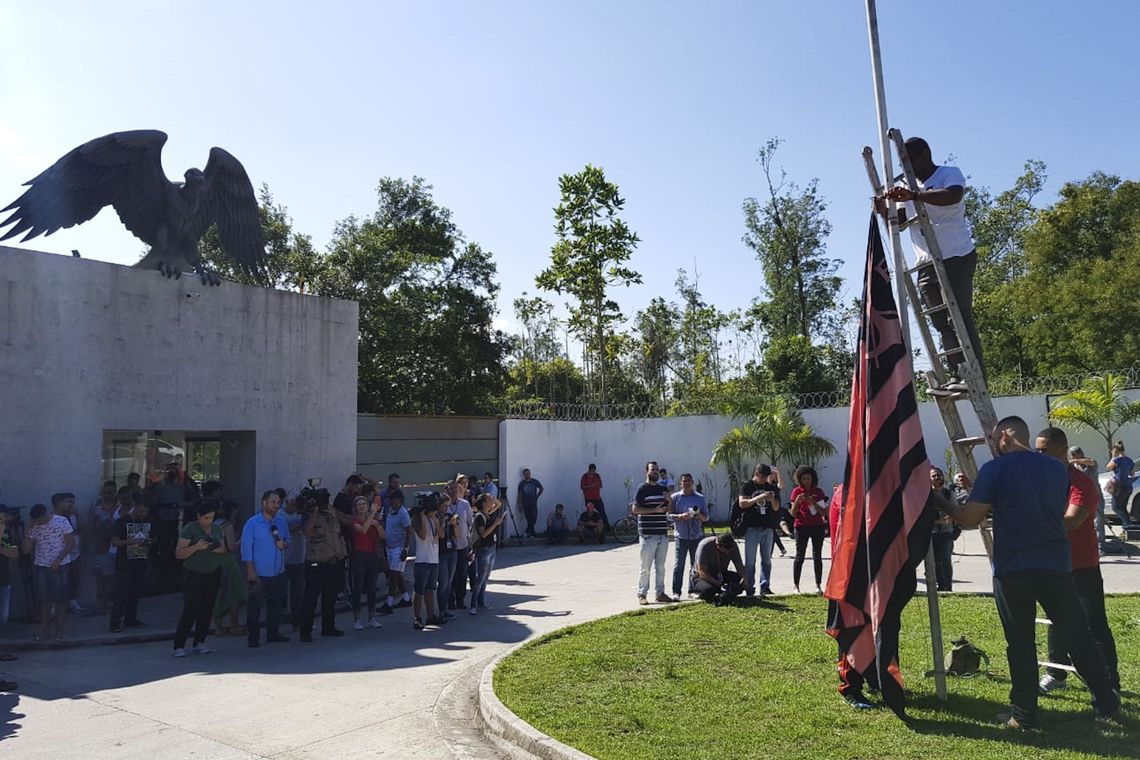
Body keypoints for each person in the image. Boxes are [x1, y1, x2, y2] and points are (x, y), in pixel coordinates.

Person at [944, 416, 1120, 728]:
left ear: (1003, 438)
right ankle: (1106, 703)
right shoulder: (1055, 470)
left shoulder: (994, 469)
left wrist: (938, 502)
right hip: (1056, 565)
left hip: (1014, 568)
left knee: (1021, 642)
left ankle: (1024, 715)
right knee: (1077, 636)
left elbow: (970, 518)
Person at [883, 136, 983, 387]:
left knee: (959, 316)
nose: (910, 166)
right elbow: (901, 222)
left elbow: (953, 196)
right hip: (926, 261)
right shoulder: (908, 185)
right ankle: (957, 372)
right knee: (939, 321)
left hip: (956, 255)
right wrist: (884, 211)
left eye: (912, 159)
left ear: (925, 154)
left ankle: (975, 373)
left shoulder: (948, 174)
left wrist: (915, 195)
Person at [1035, 428, 1121, 696]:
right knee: (1055, 622)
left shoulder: (1080, 483)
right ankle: (1056, 673)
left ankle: (1110, 683)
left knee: (1094, 623)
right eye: (1036, 450)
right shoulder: (1040, 481)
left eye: (1043, 450)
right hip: (1051, 565)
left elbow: (1072, 521)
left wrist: (1029, 523)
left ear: (1061, 450)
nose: (1038, 455)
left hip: (1082, 566)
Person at [172, 500, 226, 657]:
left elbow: (223, 548)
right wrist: (196, 547)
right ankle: (179, 644)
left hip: (213, 571)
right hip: (194, 573)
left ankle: (200, 641)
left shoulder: (216, 528)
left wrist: (216, 548)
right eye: (206, 518)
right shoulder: (190, 529)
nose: (209, 521)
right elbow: (179, 553)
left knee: (207, 608)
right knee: (191, 609)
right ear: (198, 516)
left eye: (211, 518)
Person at [241, 490, 291, 648]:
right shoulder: (253, 523)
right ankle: (253, 637)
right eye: (273, 502)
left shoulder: (281, 521)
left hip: (278, 570)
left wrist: (285, 543)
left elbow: (288, 539)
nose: (276, 505)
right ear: (264, 503)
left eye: (278, 503)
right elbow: (246, 547)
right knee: (255, 605)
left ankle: (273, 633)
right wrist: (250, 570)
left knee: (275, 603)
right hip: (259, 572)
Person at [23, 503, 75, 643]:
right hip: (41, 566)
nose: (40, 523)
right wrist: (28, 530)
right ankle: (44, 631)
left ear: (46, 514)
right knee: (44, 601)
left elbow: (71, 543)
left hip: (60, 565)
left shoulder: (61, 521)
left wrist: (58, 560)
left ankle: (59, 633)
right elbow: (27, 550)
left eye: (41, 520)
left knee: (60, 600)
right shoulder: (34, 526)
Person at [299, 488, 347, 642]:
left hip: (334, 560)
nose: (325, 502)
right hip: (316, 562)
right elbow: (307, 531)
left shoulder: (331, 514)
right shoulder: (308, 514)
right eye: (322, 499)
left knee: (330, 597)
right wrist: (314, 511)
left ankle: (328, 627)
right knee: (311, 598)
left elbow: (343, 525)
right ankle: (305, 631)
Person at [736, 464, 782, 596]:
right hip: (752, 527)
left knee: (766, 559)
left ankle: (765, 586)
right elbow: (742, 503)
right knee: (750, 560)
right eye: (761, 476)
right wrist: (758, 498)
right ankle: (749, 586)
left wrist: (772, 499)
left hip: (767, 527)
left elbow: (776, 507)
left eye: (766, 477)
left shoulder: (771, 487)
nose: (763, 480)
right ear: (756, 474)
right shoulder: (747, 486)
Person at [109, 498, 152, 632]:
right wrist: (132, 541)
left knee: (135, 592)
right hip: (124, 563)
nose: (143, 514)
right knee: (122, 593)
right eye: (141, 511)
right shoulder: (121, 522)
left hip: (140, 560)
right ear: (136, 507)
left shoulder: (145, 522)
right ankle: (115, 622)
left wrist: (148, 542)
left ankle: (131, 618)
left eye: (146, 512)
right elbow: (115, 542)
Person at [633, 461, 673, 605]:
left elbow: (669, 510)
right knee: (646, 567)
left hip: (662, 533)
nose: (655, 472)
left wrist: (669, 501)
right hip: (648, 534)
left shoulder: (663, 488)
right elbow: (635, 510)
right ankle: (642, 594)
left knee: (661, 567)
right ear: (646, 472)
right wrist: (654, 510)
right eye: (652, 469)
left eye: (656, 469)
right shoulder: (642, 489)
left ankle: (660, 593)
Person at [790, 466, 828, 595]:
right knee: (799, 556)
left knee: (817, 555)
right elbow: (793, 514)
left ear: (813, 479)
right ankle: (796, 586)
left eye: (808, 479)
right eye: (804, 479)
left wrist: (813, 502)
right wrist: (797, 502)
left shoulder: (819, 492)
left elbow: (824, 512)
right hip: (801, 526)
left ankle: (818, 585)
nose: (806, 481)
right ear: (800, 480)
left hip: (817, 526)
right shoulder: (796, 492)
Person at [211, 501, 247, 637]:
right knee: (234, 594)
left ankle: (218, 627)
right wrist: (242, 539)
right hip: (229, 560)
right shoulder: (228, 526)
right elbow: (231, 546)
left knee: (220, 595)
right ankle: (234, 625)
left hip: (216, 560)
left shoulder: (215, 524)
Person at [669, 473, 708, 598]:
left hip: (696, 536)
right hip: (681, 536)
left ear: (693, 482)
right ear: (680, 483)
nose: (686, 483)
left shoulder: (700, 498)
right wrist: (680, 517)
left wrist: (699, 516)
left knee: (695, 565)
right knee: (679, 565)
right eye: (684, 481)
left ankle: (693, 590)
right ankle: (676, 592)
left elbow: (706, 517)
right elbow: (668, 515)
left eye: (688, 481)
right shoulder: (675, 497)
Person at [349, 495, 384, 631]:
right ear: (355, 508)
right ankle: (357, 619)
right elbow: (362, 530)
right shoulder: (354, 521)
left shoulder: (373, 520)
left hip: (373, 555)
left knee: (371, 587)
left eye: (364, 503)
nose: (362, 506)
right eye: (359, 504)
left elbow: (382, 535)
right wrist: (372, 516)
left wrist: (378, 525)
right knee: (358, 588)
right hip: (359, 556)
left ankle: (372, 617)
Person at [410, 494, 444, 630]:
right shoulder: (417, 519)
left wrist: (435, 520)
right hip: (422, 560)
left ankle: (431, 616)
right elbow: (423, 536)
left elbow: (441, 535)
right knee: (419, 590)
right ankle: (417, 618)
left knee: (430, 589)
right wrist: (423, 517)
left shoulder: (433, 519)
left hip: (433, 559)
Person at [469, 493, 504, 615]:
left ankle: (481, 602)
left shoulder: (487, 514)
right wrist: (495, 524)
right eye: (489, 500)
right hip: (483, 549)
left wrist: (493, 499)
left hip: (491, 548)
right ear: (483, 503)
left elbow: (499, 504)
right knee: (481, 577)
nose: (491, 502)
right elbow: (483, 534)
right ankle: (473, 604)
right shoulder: (480, 516)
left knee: (486, 576)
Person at [52, 493, 86, 615]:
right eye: (68, 501)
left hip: (75, 554)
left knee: (73, 579)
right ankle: (55, 607)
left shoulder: (73, 516)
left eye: (73, 501)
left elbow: (83, 528)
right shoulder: (53, 518)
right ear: (58, 503)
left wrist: (77, 514)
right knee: (58, 582)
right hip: (60, 555)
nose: (71, 504)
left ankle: (72, 602)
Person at [379, 489, 412, 614]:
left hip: (398, 548)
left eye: (394, 501)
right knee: (397, 574)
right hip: (389, 547)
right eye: (390, 501)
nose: (392, 504)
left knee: (393, 576)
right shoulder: (390, 510)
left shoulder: (403, 513)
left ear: (400, 501)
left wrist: (405, 549)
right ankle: (406, 598)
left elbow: (409, 531)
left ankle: (389, 603)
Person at [88, 480, 119, 613]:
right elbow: (90, 525)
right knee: (100, 577)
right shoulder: (96, 505)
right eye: (104, 492)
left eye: (110, 492)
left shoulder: (120, 506)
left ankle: (111, 602)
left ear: (115, 492)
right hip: (99, 546)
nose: (107, 495)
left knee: (112, 577)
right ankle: (101, 604)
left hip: (115, 547)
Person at [691, 532, 745, 605]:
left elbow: (739, 564)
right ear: (718, 545)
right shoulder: (705, 545)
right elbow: (702, 572)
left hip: (721, 574)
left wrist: (744, 578)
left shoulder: (733, 545)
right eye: (726, 550)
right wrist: (719, 585)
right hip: (702, 577)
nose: (728, 552)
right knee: (709, 590)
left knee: (739, 583)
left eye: (730, 550)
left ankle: (725, 594)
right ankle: (700, 593)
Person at [929, 467, 957, 592]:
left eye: (939, 475)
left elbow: (955, 510)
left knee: (945, 559)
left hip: (946, 532)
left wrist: (949, 519)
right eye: (934, 476)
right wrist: (936, 521)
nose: (937, 478)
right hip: (931, 533)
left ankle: (947, 586)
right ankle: (939, 585)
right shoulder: (926, 495)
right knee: (934, 561)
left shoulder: (949, 494)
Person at [281, 490, 306, 629]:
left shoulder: (302, 513)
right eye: (293, 504)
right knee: (280, 592)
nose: (295, 507)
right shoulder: (280, 515)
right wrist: (293, 528)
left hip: (299, 558)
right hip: (284, 559)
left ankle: (297, 621)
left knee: (298, 593)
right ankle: (279, 618)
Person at [448, 480, 474, 611]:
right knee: (450, 575)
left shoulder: (465, 505)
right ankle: (450, 600)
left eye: (455, 488)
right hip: (448, 546)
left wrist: (471, 543)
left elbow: (470, 523)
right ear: (446, 490)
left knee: (462, 574)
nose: (453, 491)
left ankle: (460, 599)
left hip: (462, 545)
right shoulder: (444, 505)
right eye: (450, 488)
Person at [435, 490, 458, 620]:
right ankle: (441, 610)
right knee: (443, 582)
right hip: (440, 552)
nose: (446, 509)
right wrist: (443, 522)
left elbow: (457, 535)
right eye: (444, 506)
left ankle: (445, 608)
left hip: (452, 551)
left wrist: (454, 525)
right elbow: (439, 534)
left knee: (449, 582)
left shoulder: (450, 516)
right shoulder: (435, 518)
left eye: (448, 506)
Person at [1106, 441, 1134, 530]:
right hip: (1128, 487)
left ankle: (1127, 523)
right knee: (1123, 507)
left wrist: (1113, 456)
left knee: (1115, 508)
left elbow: (1108, 467)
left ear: (1115, 450)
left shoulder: (1116, 460)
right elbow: (1132, 474)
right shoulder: (1129, 460)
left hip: (1119, 487)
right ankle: (1126, 526)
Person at [0, 508, 19, 626]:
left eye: (3, 519)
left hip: (3, 580)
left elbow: (15, 554)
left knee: (3, 618)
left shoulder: (7, 535)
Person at [516, 469, 544, 538]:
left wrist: (537, 496)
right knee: (529, 519)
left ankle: (527, 531)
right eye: (525, 473)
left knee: (534, 518)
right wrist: (520, 504)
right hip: (525, 504)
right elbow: (520, 494)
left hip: (534, 503)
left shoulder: (535, 481)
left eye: (528, 473)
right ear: (523, 475)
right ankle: (532, 533)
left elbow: (541, 488)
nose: (527, 474)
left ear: (530, 473)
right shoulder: (522, 484)